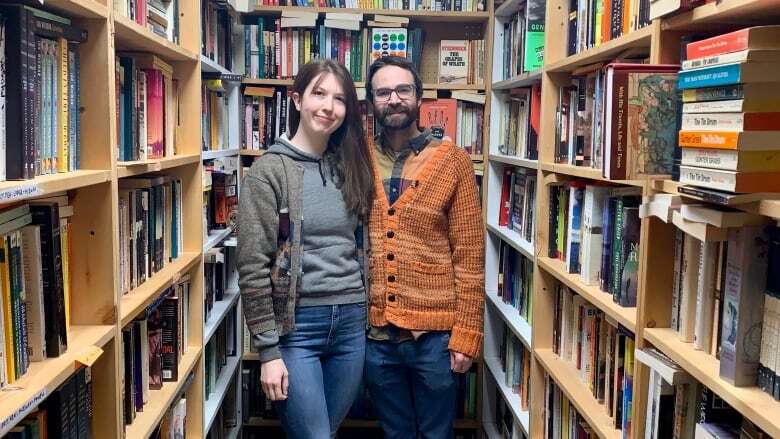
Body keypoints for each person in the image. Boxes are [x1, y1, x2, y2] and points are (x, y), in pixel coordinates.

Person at [237, 59, 374, 439]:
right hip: (296, 329)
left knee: (323, 433)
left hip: (351, 322)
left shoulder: (351, 166)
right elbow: (251, 265)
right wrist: (267, 351)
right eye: (318, 93)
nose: (328, 106)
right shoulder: (269, 171)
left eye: (339, 98)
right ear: (297, 100)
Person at [363, 56, 486, 439]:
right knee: (395, 433)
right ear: (372, 103)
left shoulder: (453, 162)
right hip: (376, 337)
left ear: (419, 97)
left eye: (403, 90)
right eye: (383, 92)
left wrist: (467, 334)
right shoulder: (357, 158)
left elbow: (469, 255)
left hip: (436, 338)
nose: (394, 99)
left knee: (437, 434)